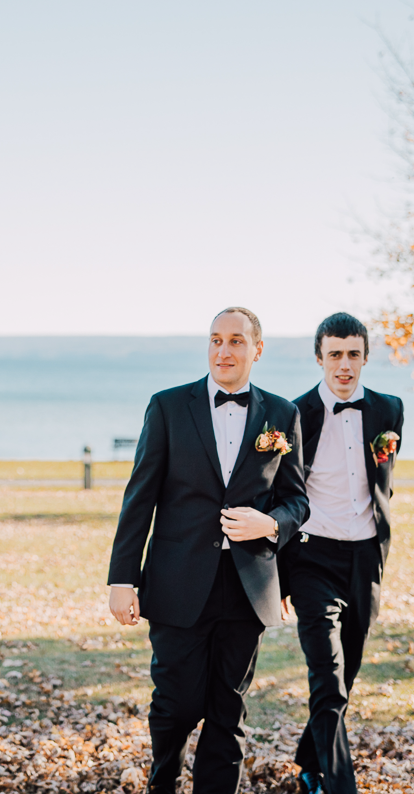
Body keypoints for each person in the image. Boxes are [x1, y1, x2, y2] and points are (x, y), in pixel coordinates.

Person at [108, 307, 309, 794]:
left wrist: (270, 523)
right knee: (176, 703)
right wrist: (121, 578)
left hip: (248, 586)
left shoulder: (282, 414)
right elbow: (141, 497)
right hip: (177, 581)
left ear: (256, 350)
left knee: (228, 709)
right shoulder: (168, 406)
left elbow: (298, 501)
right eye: (216, 340)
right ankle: (164, 780)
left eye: (237, 341)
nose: (224, 350)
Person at [283, 313, 404, 794]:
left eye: (354, 354)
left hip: (365, 559)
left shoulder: (388, 410)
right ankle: (336, 786)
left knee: (346, 672)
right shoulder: (292, 414)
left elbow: (384, 483)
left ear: (365, 357)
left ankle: (309, 759)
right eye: (335, 354)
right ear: (319, 358)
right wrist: (282, 573)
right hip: (311, 559)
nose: (345, 364)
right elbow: (282, 492)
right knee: (328, 677)